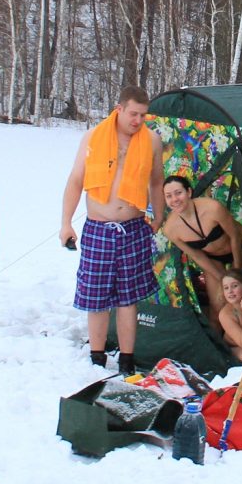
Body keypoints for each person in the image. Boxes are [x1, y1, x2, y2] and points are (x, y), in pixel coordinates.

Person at [60, 85, 165, 375]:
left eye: (143, 116)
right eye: (133, 114)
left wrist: (159, 217)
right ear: (119, 109)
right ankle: (97, 358)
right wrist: (66, 222)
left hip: (134, 227)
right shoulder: (93, 137)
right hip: (98, 227)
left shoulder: (151, 140)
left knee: (128, 299)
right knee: (97, 297)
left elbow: (157, 181)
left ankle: (127, 360)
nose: (138, 121)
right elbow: (75, 181)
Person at [160, 173, 242, 311]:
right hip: (213, 258)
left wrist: (236, 272)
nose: (174, 199)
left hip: (241, 247)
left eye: (178, 193)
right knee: (218, 305)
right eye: (169, 196)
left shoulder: (213, 208)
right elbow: (196, 255)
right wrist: (222, 279)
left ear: (189, 192)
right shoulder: (170, 229)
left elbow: (234, 237)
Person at [216, 268, 242, 362]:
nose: (230, 291)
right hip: (234, 348)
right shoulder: (225, 314)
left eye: (235, 286)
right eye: (226, 288)